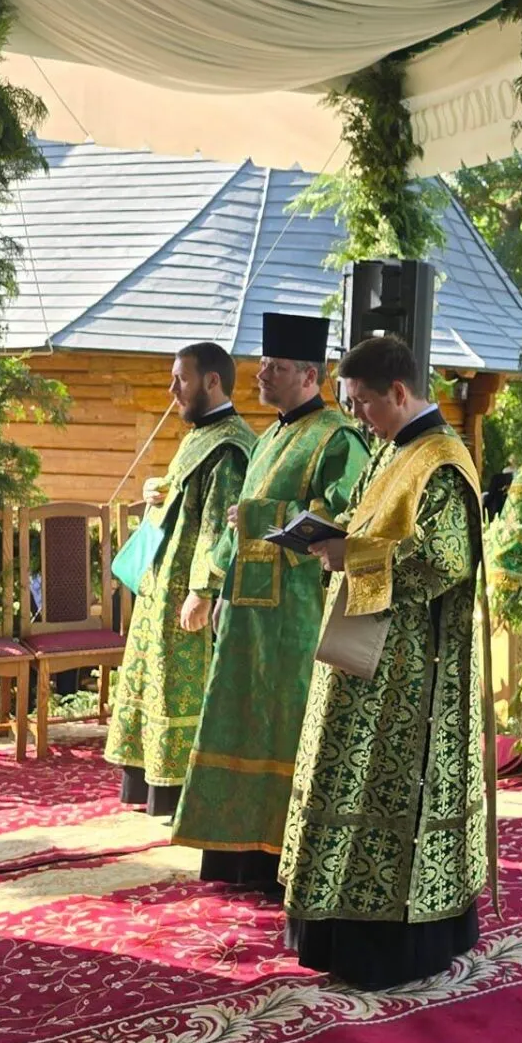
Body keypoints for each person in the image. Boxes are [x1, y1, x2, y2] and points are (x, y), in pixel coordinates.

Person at [280, 335, 491, 986]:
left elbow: (443, 561)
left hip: (410, 676)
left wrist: (354, 555)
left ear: (399, 392)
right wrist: (327, 532)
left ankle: (389, 946)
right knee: (342, 778)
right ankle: (335, 929)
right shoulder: (392, 449)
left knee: (384, 793)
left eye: (363, 403)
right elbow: (365, 518)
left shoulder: (442, 462)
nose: (358, 416)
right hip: (363, 646)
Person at [172, 313, 371, 894]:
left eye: (276, 367)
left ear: (309, 375)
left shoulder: (338, 438)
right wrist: (210, 585)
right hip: (245, 614)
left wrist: (267, 516)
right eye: (262, 364)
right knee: (237, 721)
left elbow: (346, 513)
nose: (260, 374)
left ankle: (284, 857)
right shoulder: (270, 437)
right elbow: (235, 523)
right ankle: (237, 852)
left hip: (296, 617)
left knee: (285, 727)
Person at [104, 342, 257, 815]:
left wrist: (201, 592)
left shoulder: (230, 446)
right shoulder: (200, 435)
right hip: (162, 584)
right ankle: (147, 782)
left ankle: (178, 793)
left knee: (179, 688)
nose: (172, 389)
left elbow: (217, 525)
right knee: (154, 680)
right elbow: (187, 501)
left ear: (212, 381)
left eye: (181, 379)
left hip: (186, 592)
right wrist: (159, 490)